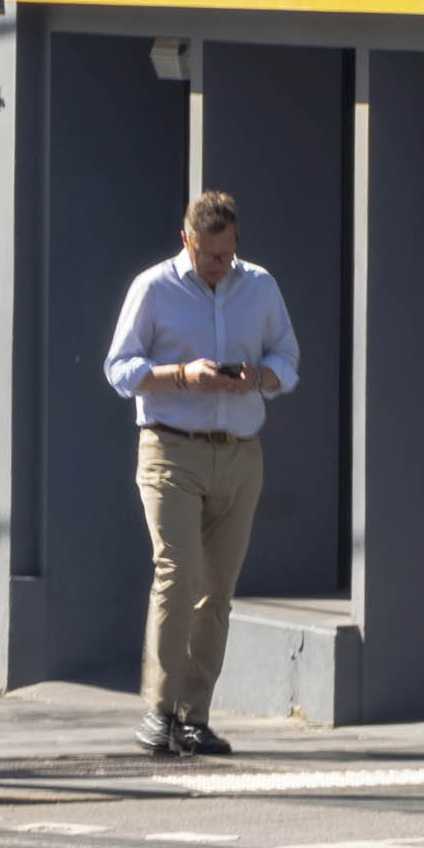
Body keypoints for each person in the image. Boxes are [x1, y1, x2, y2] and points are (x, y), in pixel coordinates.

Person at [101, 188, 299, 760]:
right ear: (185, 240)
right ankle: (158, 710)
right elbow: (119, 368)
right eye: (209, 255)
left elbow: (287, 359)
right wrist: (182, 375)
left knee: (217, 591)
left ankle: (194, 717)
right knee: (178, 573)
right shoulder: (153, 288)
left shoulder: (258, 285)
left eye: (227, 254)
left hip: (239, 454)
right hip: (170, 450)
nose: (219, 266)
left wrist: (258, 378)